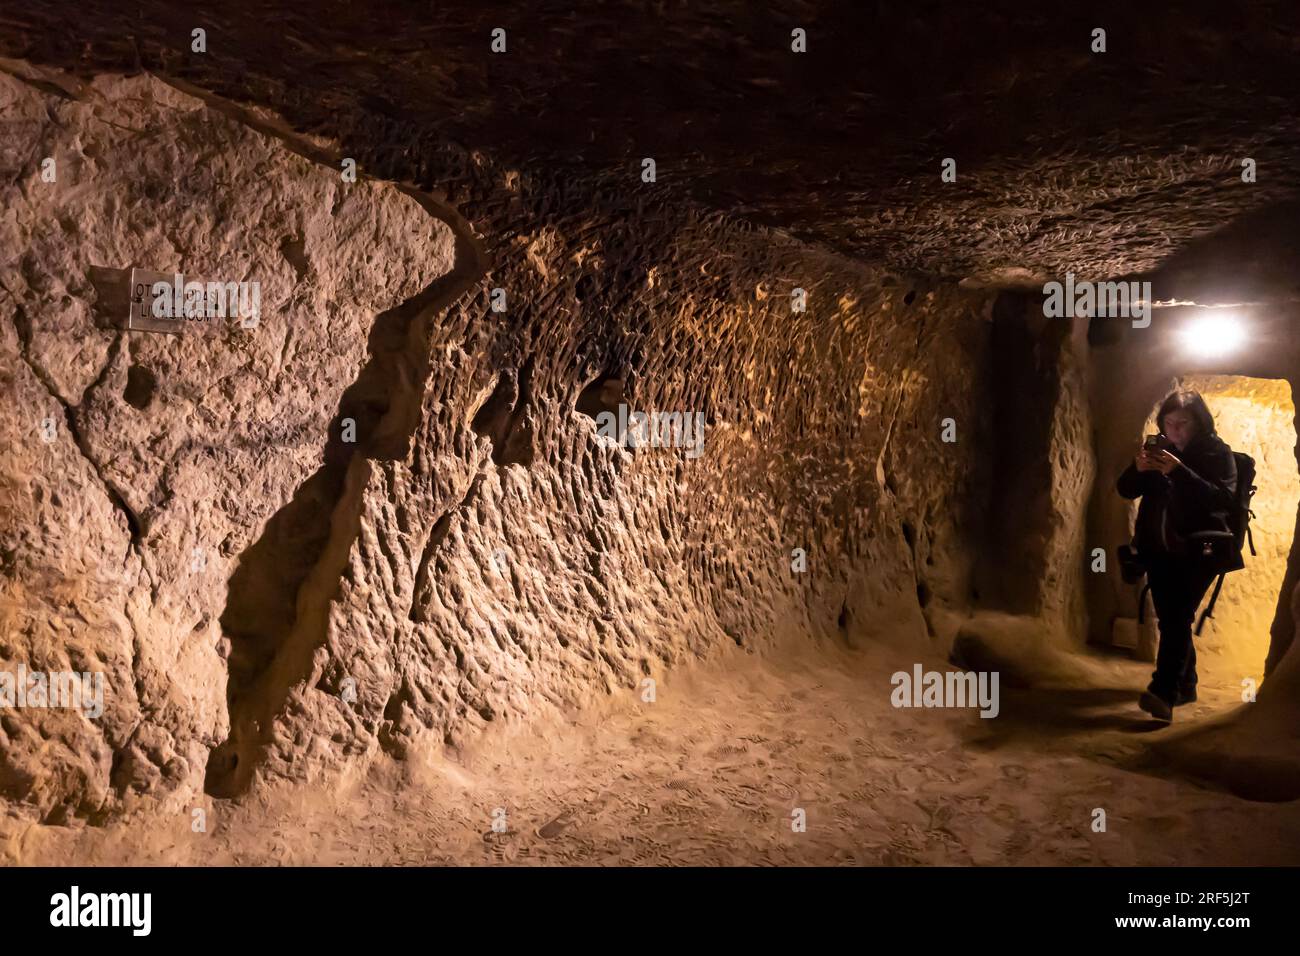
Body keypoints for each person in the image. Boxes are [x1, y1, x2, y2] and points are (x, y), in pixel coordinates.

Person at [1116, 389, 1238, 722]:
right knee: (1173, 618)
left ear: (1200, 423)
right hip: (1158, 548)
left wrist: (1179, 471)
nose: (1175, 431)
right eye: (1169, 423)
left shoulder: (1217, 453)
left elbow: (1221, 499)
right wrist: (1138, 468)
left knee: (1175, 618)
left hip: (1199, 550)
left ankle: (1163, 692)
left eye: (1183, 424)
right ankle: (1187, 684)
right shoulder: (1161, 452)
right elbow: (1125, 490)